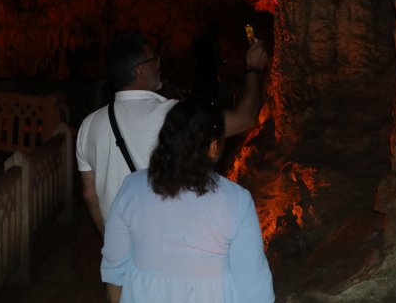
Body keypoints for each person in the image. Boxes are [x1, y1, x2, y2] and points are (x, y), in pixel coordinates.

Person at [76, 31, 267, 236]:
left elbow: (90, 196)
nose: (159, 65)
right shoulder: (174, 115)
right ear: (139, 70)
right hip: (167, 250)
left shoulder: (88, 125)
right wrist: (254, 68)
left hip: (121, 252)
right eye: (154, 60)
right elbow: (245, 118)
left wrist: (111, 241)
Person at [101, 100, 275, 303]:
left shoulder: (132, 188)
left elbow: (114, 265)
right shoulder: (236, 199)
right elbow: (253, 283)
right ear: (212, 147)